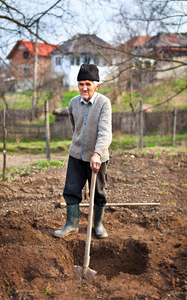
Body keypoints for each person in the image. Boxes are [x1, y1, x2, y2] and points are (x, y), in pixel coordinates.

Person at [53, 64, 112, 239]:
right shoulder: (72, 103)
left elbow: (105, 132)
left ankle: (98, 224)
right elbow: (75, 128)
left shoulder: (104, 103)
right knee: (71, 189)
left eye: (88, 83)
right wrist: (79, 145)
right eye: (81, 84)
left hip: (97, 157)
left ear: (96, 85)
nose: (84, 88)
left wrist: (97, 153)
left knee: (98, 192)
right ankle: (71, 224)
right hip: (76, 155)